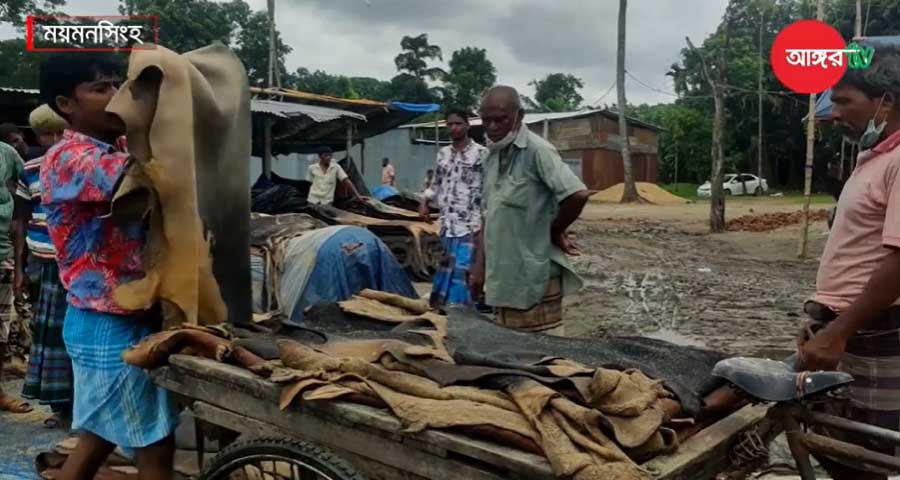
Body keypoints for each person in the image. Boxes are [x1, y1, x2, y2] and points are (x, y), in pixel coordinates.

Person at [40, 52, 177, 480]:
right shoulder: (73, 157)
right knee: (153, 444)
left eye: (119, 86)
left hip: (126, 316)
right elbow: (149, 178)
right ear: (67, 104)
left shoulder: (113, 147)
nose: (116, 96)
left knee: (98, 440)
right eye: (100, 88)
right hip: (108, 322)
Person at [797, 48, 900, 480]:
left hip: (873, 330)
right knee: (828, 433)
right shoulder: (874, 159)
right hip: (843, 327)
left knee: (868, 449)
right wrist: (821, 316)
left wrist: (839, 331)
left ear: (886, 102)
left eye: (843, 101)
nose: (832, 114)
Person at [470, 86, 590, 336]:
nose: (491, 127)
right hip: (503, 276)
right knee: (509, 352)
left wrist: (555, 230)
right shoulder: (491, 156)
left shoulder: (538, 151)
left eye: (500, 119)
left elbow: (576, 194)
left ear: (519, 116)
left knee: (544, 358)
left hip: (534, 275)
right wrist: (479, 267)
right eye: (486, 120)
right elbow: (487, 215)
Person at [16, 104, 72, 429]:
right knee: (51, 336)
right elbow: (21, 220)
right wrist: (21, 269)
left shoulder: (79, 165)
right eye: (48, 134)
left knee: (71, 337)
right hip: (46, 266)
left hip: (74, 265)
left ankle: (77, 406)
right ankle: (61, 406)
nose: (54, 140)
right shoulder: (31, 168)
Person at [419, 108, 487, 308]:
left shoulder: (481, 154)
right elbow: (436, 183)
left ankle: (463, 316)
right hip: (447, 225)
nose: (454, 127)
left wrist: (484, 224)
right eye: (450, 124)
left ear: (467, 125)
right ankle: (443, 314)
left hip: (470, 226)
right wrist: (424, 202)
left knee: (463, 273)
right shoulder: (443, 153)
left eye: (458, 123)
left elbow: (488, 189)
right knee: (444, 269)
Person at [0, 140, 28, 414]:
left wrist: (20, 264)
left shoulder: (6, 154)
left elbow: (23, 203)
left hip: (2, 255)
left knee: (1, 330)